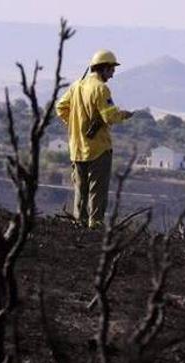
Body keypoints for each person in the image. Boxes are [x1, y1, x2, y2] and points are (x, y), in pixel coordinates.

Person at [56, 49, 133, 229]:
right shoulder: (101, 89)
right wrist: (124, 115)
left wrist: (75, 124)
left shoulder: (77, 86)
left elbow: (60, 107)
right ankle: (95, 226)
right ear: (103, 68)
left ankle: (78, 225)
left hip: (76, 148)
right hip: (98, 149)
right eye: (111, 69)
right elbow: (110, 117)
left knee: (80, 191)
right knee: (97, 192)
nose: (113, 74)